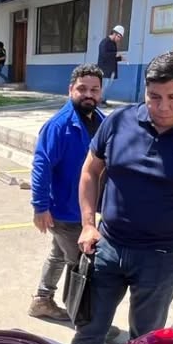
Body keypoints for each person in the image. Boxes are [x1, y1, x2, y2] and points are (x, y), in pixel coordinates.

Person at [73, 50, 173, 344]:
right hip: (107, 247)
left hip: (161, 259)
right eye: (154, 97)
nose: (162, 107)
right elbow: (90, 171)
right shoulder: (120, 121)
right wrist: (87, 225)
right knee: (86, 336)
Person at [28, 64, 105, 321]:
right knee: (82, 266)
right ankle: (83, 319)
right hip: (66, 212)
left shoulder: (101, 121)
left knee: (59, 253)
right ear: (70, 89)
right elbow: (42, 165)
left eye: (94, 89)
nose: (88, 94)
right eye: (82, 89)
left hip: (87, 209)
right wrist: (40, 207)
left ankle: (42, 299)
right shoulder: (59, 125)